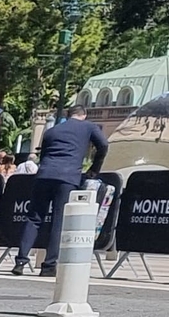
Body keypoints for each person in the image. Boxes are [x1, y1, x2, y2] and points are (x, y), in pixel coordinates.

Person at [12, 108, 106, 276]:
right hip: (68, 177)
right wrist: (94, 168)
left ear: (67, 116)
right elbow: (104, 145)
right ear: (83, 115)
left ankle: (21, 261)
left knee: (34, 218)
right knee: (59, 220)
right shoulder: (89, 127)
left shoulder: (52, 130)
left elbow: (44, 153)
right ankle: (48, 265)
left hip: (44, 175)